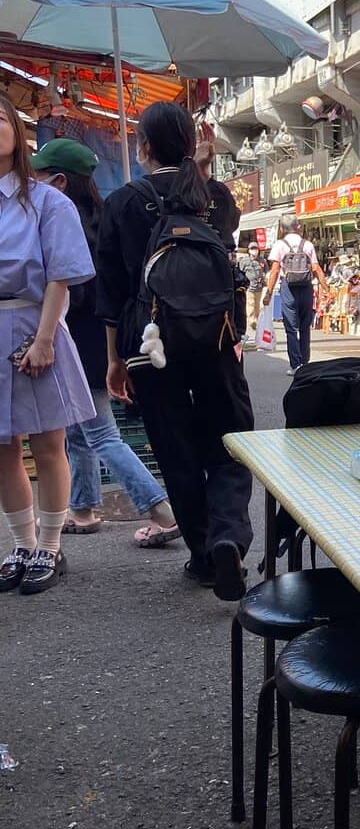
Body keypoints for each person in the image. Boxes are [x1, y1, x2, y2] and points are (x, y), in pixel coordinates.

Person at [97, 100, 254, 601]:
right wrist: (204, 169)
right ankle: (229, 533)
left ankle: (204, 556)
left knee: (177, 450)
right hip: (215, 337)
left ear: (142, 146)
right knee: (230, 444)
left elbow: (113, 292)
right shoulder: (217, 197)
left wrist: (115, 360)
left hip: (150, 344)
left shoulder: (122, 202)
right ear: (193, 143)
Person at [30, 139, 179, 547]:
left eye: (39, 174)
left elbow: (71, 292)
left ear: (59, 181)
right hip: (100, 339)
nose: (32, 180)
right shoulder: (103, 216)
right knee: (80, 430)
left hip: (79, 341)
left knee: (99, 433)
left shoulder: (60, 220)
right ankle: (83, 508)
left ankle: (161, 510)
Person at [0, 96, 97, 594]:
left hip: (34, 324)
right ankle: (21, 542)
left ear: (17, 130)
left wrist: (43, 340)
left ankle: (51, 545)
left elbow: (61, 276)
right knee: (2, 446)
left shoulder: (47, 201)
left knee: (48, 441)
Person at [263, 215, 328, 374]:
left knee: (291, 329)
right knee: (305, 327)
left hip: (288, 288)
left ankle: (296, 365)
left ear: (281, 229)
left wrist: (269, 293)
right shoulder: (308, 244)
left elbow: (275, 271)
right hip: (306, 288)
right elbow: (316, 268)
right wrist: (326, 289)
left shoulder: (279, 245)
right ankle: (305, 362)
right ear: (298, 227)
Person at [238, 242, 267, 337]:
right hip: (249, 287)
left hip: (259, 286)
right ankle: (252, 321)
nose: (254, 251)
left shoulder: (262, 260)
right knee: (250, 304)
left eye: (256, 249)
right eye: (252, 249)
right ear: (249, 250)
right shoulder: (244, 261)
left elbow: (266, 270)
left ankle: (256, 320)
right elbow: (240, 271)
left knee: (257, 306)